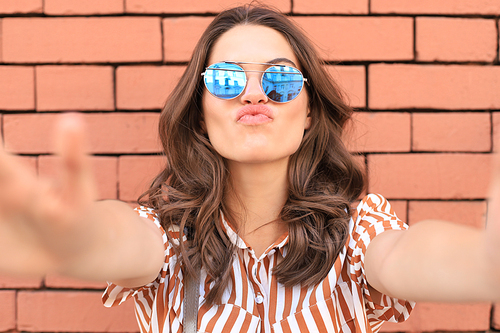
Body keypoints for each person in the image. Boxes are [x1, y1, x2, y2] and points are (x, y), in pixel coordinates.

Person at [0, 4, 499, 333]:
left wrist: (481, 263)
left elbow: (409, 254)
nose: (254, 93)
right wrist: (74, 237)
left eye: (280, 78)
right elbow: (117, 238)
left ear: (308, 113)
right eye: (226, 78)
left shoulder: (355, 237)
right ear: (199, 111)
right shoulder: (170, 239)